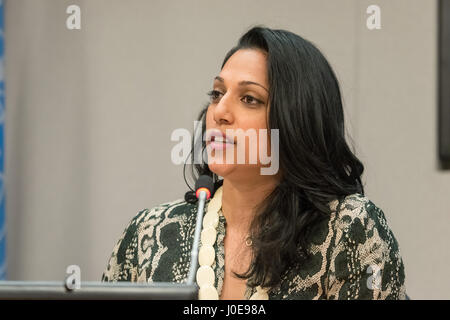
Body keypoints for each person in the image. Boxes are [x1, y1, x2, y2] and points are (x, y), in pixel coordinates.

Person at [101, 26, 407, 300]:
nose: (220, 111)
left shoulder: (346, 229)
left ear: (295, 120)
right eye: (217, 93)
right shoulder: (150, 232)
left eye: (249, 99)